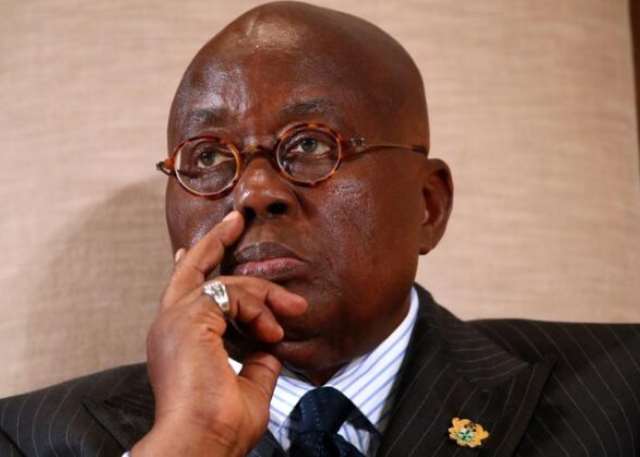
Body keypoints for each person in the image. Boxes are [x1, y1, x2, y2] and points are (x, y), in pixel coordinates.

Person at [1, 2, 639, 456]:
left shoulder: (622, 391)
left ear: (428, 205)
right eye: (209, 156)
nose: (253, 192)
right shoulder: (28, 437)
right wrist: (190, 443)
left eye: (309, 144)